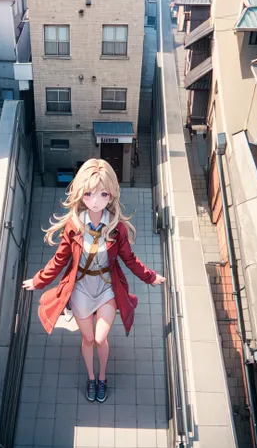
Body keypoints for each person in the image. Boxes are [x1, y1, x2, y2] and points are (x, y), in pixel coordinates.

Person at [22, 159, 165, 403]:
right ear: (81, 194)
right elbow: (59, 260)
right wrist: (38, 281)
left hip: (108, 288)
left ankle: (102, 377)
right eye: (88, 194)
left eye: (102, 194)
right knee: (88, 339)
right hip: (80, 289)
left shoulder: (116, 227)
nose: (95, 200)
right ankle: (91, 378)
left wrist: (150, 277)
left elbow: (129, 259)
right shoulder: (74, 226)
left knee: (100, 339)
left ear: (110, 195)